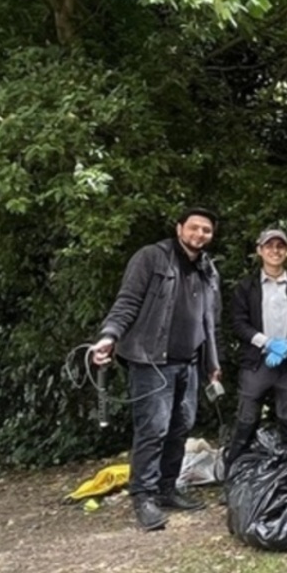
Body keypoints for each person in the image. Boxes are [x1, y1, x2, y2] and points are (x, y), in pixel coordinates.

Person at [92, 205, 224, 531]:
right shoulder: (152, 258)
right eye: (194, 228)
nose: (200, 235)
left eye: (206, 230)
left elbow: (209, 322)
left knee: (181, 425)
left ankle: (167, 488)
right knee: (154, 429)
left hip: (189, 362)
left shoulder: (208, 270)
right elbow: (127, 301)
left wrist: (212, 364)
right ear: (180, 228)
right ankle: (144, 496)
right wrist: (109, 337)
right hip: (152, 360)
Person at [224, 226, 287, 466]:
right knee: (247, 418)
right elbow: (238, 322)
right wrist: (266, 343)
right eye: (269, 246)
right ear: (259, 250)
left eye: (280, 246)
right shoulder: (247, 287)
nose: (275, 251)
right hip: (256, 363)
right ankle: (235, 470)